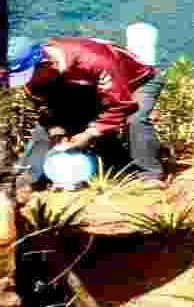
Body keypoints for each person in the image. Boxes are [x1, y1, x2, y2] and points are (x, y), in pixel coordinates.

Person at [6, 35, 166, 190]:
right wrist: (56, 131)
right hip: (89, 85)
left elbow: (121, 105)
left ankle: (149, 175)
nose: (28, 82)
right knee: (49, 128)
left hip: (138, 81)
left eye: (29, 75)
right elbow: (46, 109)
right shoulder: (37, 78)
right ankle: (27, 179)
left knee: (135, 119)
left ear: (45, 63)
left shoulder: (93, 61)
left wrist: (90, 133)